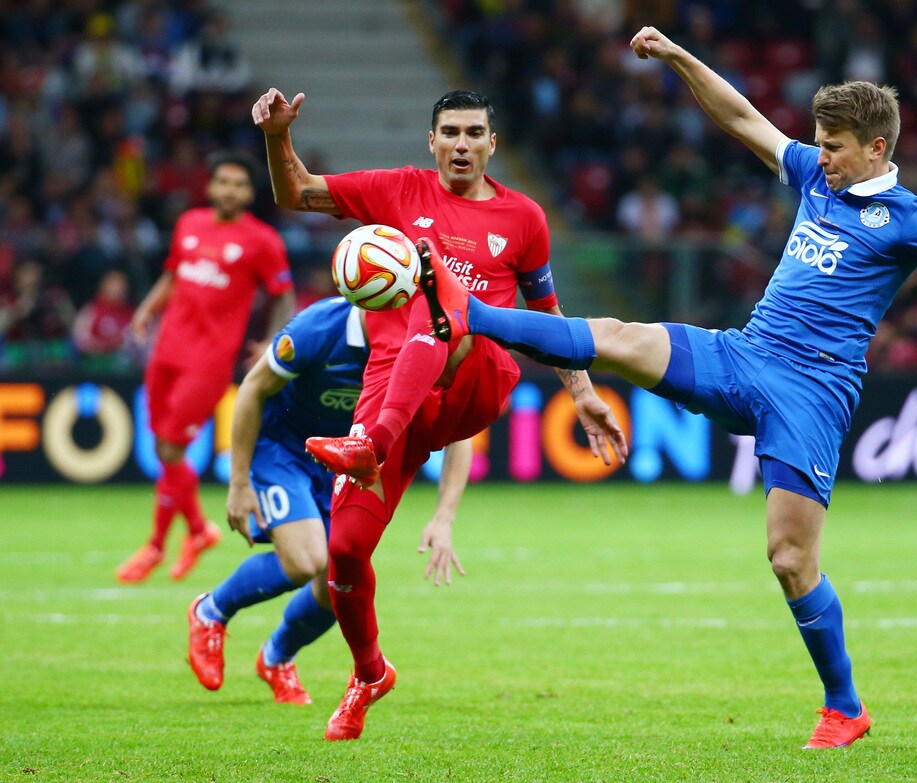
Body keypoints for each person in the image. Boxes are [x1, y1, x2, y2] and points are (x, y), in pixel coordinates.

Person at [417, 27, 917, 749]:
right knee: (618, 337)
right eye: (818, 144)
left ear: (876, 149)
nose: (819, 157)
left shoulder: (914, 223)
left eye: (833, 147)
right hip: (745, 354)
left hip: (812, 392)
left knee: (790, 560)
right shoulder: (814, 175)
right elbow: (741, 118)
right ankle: (468, 311)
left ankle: (844, 707)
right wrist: (678, 57)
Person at [252, 87, 626, 739]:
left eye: (474, 132)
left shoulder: (524, 218)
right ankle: (368, 673)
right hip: (392, 390)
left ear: (492, 144)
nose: (461, 143)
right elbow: (297, 194)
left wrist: (582, 390)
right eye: (450, 132)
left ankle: (371, 444)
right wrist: (277, 136)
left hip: (478, 374)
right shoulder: (397, 189)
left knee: (440, 295)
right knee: (344, 551)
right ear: (431, 141)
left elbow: (547, 314)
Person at [184, 296, 476, 704]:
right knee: (305, 560)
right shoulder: (316, 329)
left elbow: (458, 430)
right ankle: (210, 611)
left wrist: (444, 517)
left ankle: (276, 657)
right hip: (283, 448)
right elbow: (252, 387)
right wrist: (239, 481)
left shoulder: (417, 340)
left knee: (339, 582)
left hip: (346, 460)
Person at [116, 150, 296, 584]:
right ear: (211, 185)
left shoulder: (262, 241)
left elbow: (283, 295)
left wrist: (272, 341)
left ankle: (162, 543)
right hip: (166, 351)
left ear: (250, 193)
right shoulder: (189, 224)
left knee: (171, 449)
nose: (230, 190)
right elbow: (173, 275)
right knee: (164, 447)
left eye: (239, 184)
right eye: (223, 181)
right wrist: (146, 309)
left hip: (209, 361)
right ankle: (196, 532)